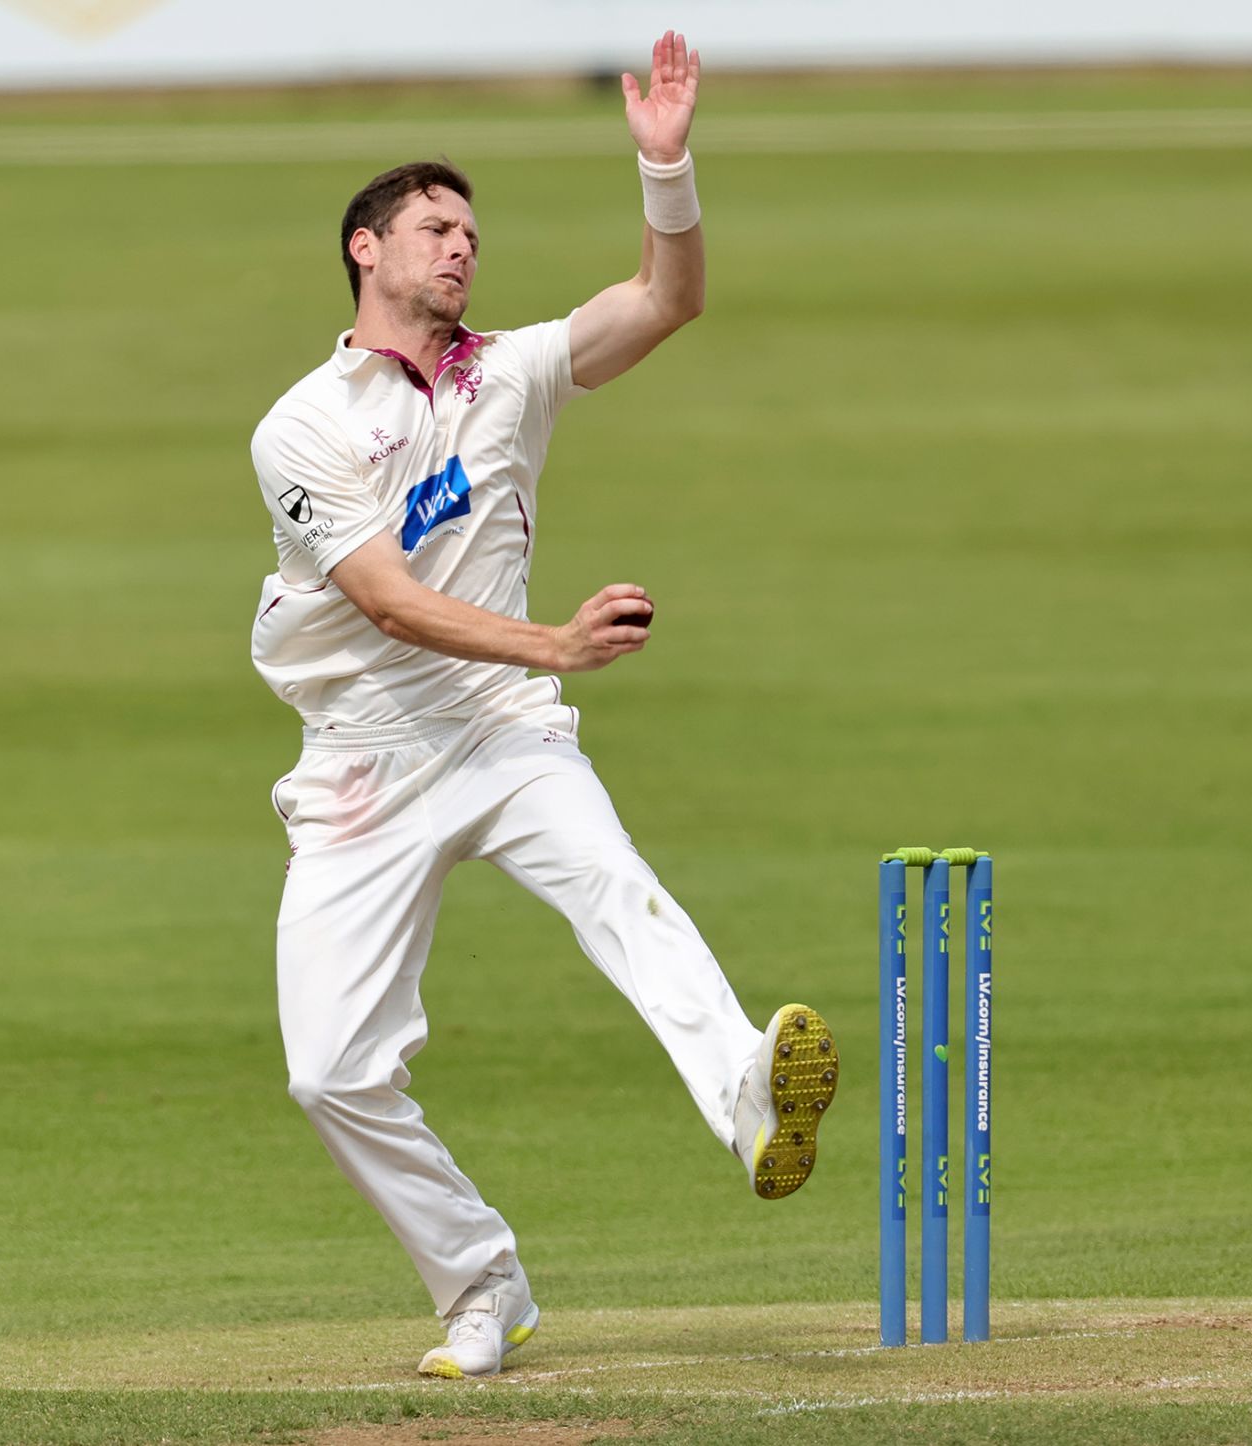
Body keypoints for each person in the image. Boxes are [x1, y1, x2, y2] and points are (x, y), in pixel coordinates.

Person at [249, 31, 838, 1380]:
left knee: (613, 883)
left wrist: (667, 167)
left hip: (505, 730)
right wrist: (555, 643)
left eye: (472, 233)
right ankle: (483, 1285)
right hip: (363, 765)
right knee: (329, 1069)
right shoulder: (305, 427)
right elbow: (386, 597)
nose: (461, 250)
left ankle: (752, 1093)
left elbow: (661, 299)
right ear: (365, 250)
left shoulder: (508, 371)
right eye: (435, 228)